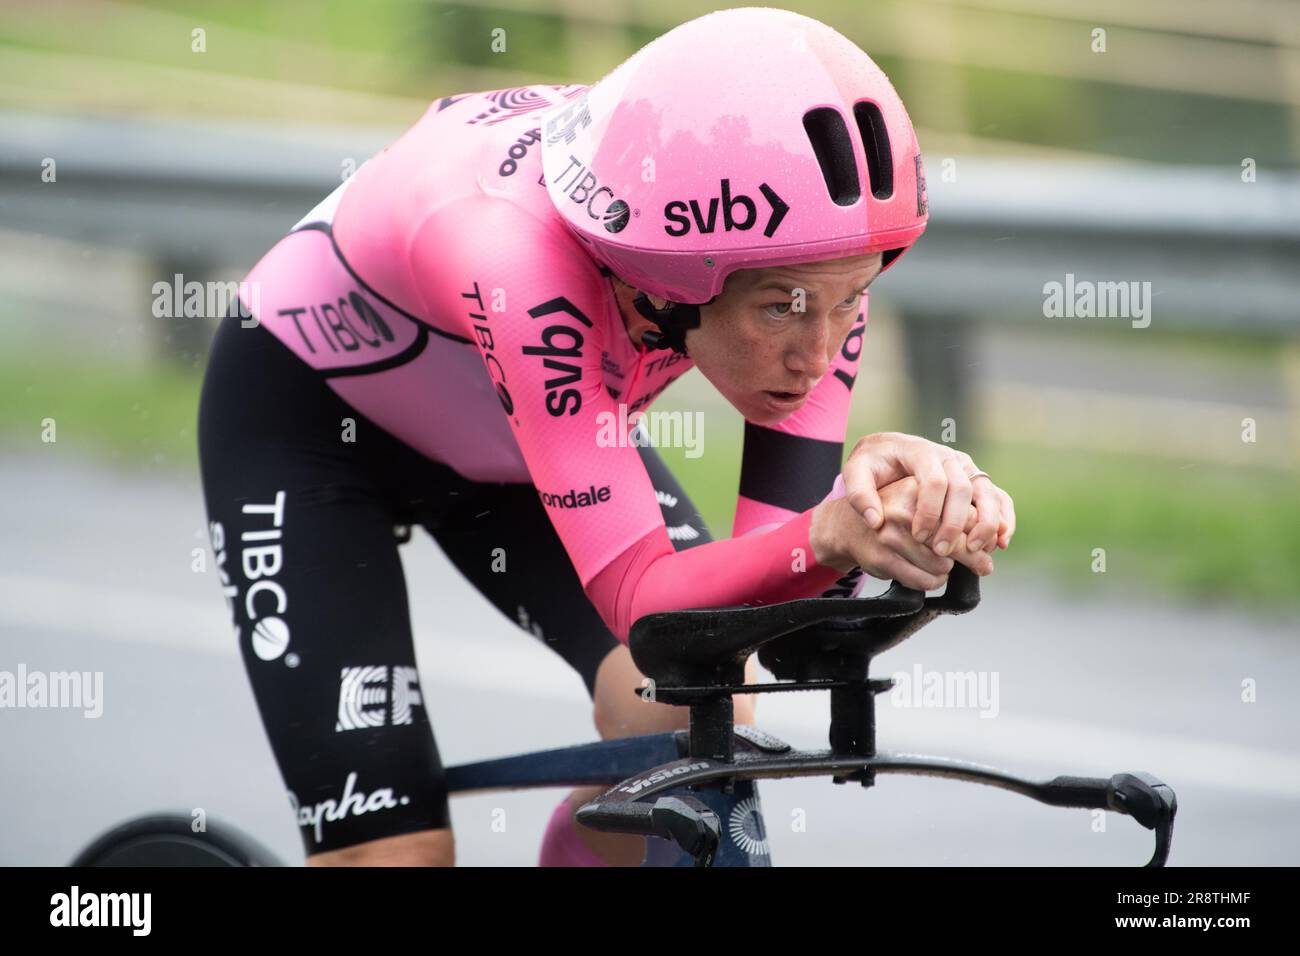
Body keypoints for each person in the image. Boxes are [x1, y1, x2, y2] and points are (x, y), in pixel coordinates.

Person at [196, 6, 1015, 867]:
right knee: (397, 856)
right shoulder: (515, 257)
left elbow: (771, 605)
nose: (818, 353)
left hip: (528, 436)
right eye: (781, 307)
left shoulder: (813, 255)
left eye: (852, 298)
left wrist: (885, 515)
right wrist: (826, 535)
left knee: (697, 713)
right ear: (667, 277)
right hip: (311, 427)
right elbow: (649, 602)